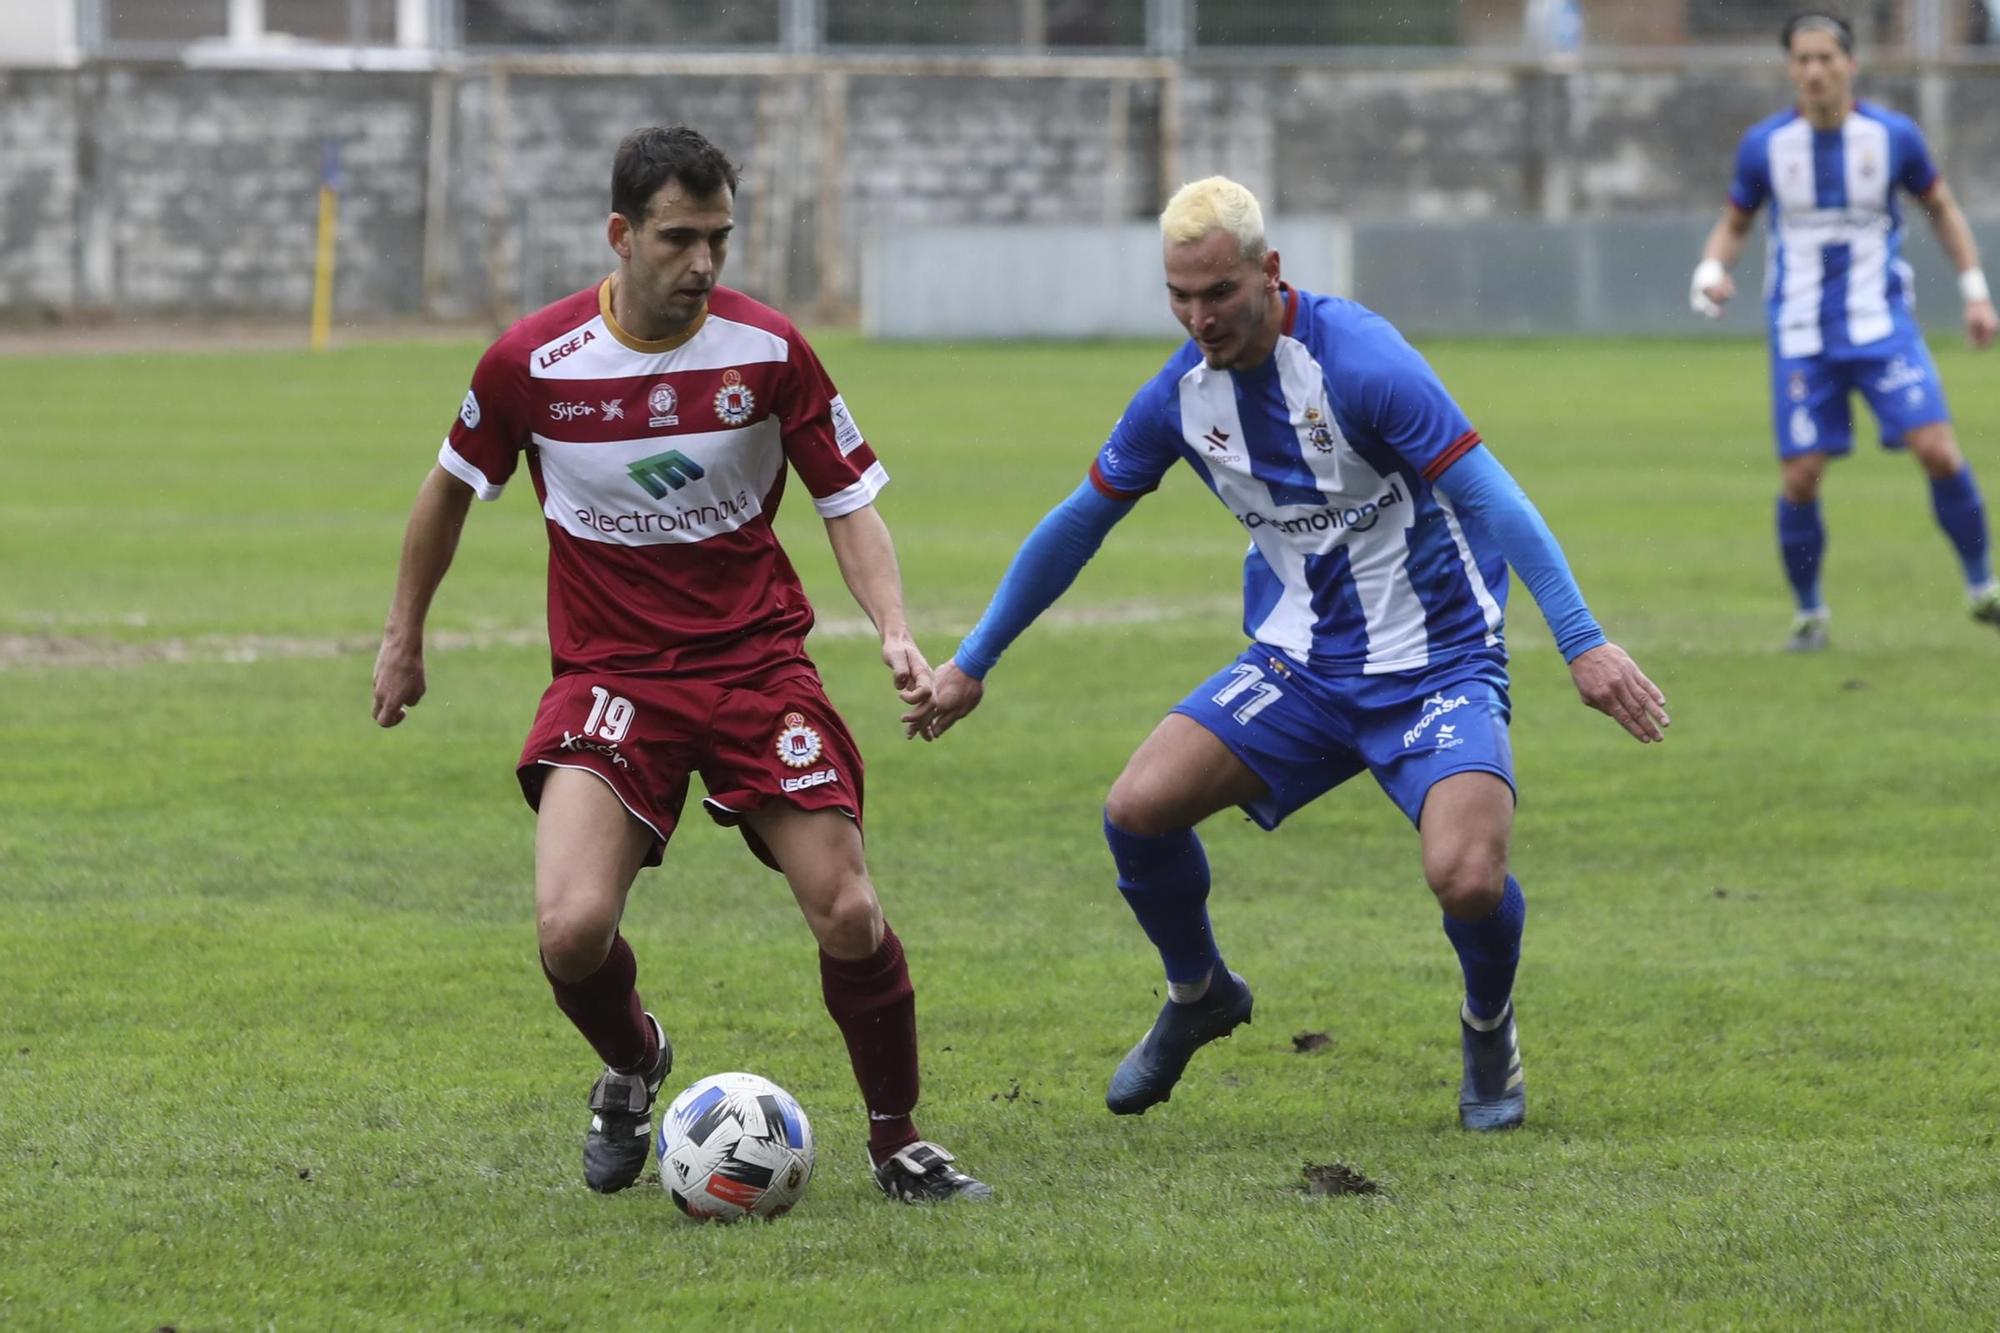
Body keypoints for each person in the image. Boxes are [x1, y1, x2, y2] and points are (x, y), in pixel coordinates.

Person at [905, 176, 1668, 1132]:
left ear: (1269, 271)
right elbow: (1077, 523)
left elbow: (1492, 496)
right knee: (1136, 811)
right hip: (1300, 666)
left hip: (1439, 662)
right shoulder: (1181, 398)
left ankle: (1487, 1022)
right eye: (1179, 297)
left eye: (1217, 292)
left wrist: (1582, 640)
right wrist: (973, 661)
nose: (1199, 317)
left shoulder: (1363, 363)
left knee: (1467, 877)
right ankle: (1199, 993)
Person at [371, 125, 989, 1204]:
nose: (702, 264)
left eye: (718, 238)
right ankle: (634, 1057)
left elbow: (847, 502)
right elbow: (446, 491)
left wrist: (894, 629)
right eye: (676, 239)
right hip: (610, 677)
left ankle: (898, 1140)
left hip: (756, 666)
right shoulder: (532, 363)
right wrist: (402, 636)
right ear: (620, 235)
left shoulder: (767, 351)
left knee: (845, 907)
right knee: (570, 931)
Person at [1690, 10, 1998, 652]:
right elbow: (1737, 221)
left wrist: (1974, 293)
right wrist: (1712, 268)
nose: (1815, 71)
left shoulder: (1893, 138)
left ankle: (1982, 586)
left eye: (1826, 58)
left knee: (1939, 449)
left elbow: (1942, 210)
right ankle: (1809, 615)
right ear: (1790, 70)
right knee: (1801, 476)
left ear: (1850, 65)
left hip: (1883, 327)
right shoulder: (1765, 146)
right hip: (1801, 335)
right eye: (1802, 60)